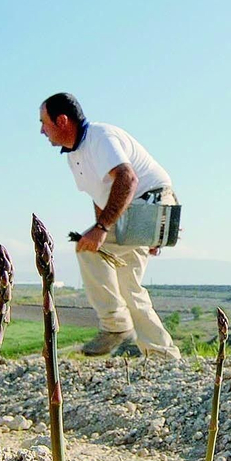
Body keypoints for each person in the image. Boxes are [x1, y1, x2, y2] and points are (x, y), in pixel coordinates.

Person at [39, 92, 182, 360]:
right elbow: (101, 196)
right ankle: (164, 355)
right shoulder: (75, 155)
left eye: (44, 123)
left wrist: (102, 230)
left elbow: (127, 179)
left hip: (149, 203)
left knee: (87, 249)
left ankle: (115, 326)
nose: (41, 130)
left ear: (61, 121)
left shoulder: (100, 138)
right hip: (138, 208)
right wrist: (101, 228)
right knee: (129, 286)